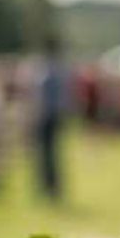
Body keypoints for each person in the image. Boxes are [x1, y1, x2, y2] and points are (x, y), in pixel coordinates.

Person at [32, 37, 68, 201]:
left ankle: (49, 188)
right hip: (54, 116)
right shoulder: (60, 69)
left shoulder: (47, 69)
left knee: (47, 155)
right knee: (51, 154)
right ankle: (52, 187)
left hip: (46, 117)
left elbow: (41, 98)